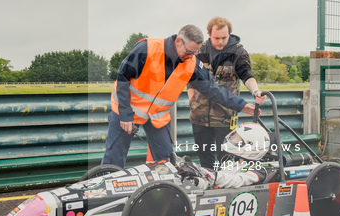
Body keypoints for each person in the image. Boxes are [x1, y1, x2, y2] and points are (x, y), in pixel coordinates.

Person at [102, 25, 261, 168]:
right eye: (189, 52)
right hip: (127, 110)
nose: (192, 56)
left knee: (168, 162)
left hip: (157, 116)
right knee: (113, 160)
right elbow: (123, 78)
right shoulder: (147, 48)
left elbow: (213, 90)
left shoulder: (191, 63)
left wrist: (241, 105)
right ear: (178, 41)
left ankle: (166, 195)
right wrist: (125, 113)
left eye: (195, 52)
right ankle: (103, 193)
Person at [186, 17, 265, 169]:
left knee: (227, 160)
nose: (220, 41)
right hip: (199, 117)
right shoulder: (200, 51)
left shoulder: (238, 51)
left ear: (230, 34)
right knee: (205, 160)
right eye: (216, 38)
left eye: (224, 37)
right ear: (209, 34)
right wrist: (192, 101)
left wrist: (255, 91)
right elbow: (190, 79)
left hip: (225, 116)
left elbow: (246, 74)